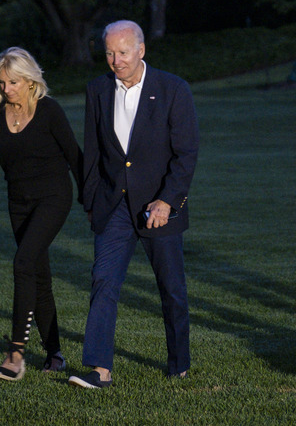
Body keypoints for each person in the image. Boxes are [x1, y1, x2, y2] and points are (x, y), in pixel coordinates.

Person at [68, 20, 199, 389]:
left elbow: (186, 153)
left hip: (159, 208)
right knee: (103, 281)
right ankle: (99, 368)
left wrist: (167, 201)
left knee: (171, 288)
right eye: (109, 53)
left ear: (141, 50)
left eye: (123, 52)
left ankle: (179, 363)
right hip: (113, 207)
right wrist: (91, 201)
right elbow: (92, 153)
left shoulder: (173, 89)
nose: (115, 60)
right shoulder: (97, 90)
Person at [0, 47, 83, 381]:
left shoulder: (50, 112)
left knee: (23, 262)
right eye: (1, 82)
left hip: (53, 198)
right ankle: (55, 354)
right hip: (19, 203)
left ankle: (15, 354)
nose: (5, 89)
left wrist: (93, 200)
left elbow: (75, 156)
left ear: (30, 81)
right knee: (37, 275)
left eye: (12, 82)